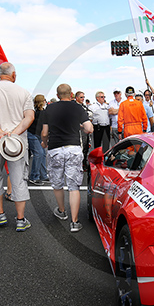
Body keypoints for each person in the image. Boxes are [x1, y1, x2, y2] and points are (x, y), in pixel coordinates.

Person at [0, 62, 35, 232]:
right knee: (18, 179)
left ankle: (0, 214)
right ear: (14, 75)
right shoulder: (23, 92)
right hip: (16, 145)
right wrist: (14, 134)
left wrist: (0, 133)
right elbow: (29, 117)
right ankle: (20, 219)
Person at [40, 83, 94, 233]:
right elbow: (89, 128)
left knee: (57, 183)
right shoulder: (78, 107)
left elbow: (44, 133)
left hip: (55, 148)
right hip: (73, 149)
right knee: (73, 186)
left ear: (57, 95)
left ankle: (62, 211)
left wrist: (44, 142)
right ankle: (74, 222)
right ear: (71, 95)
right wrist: (81, 127)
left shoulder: (49, 108)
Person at [27, 94, 48, 185]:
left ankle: (43, 175)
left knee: (42, 154)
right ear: (43, 102)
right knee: (39, 154)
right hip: (34, 135)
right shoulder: (42, 113)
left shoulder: (34, 111)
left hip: (33, 133)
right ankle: (34, 176)